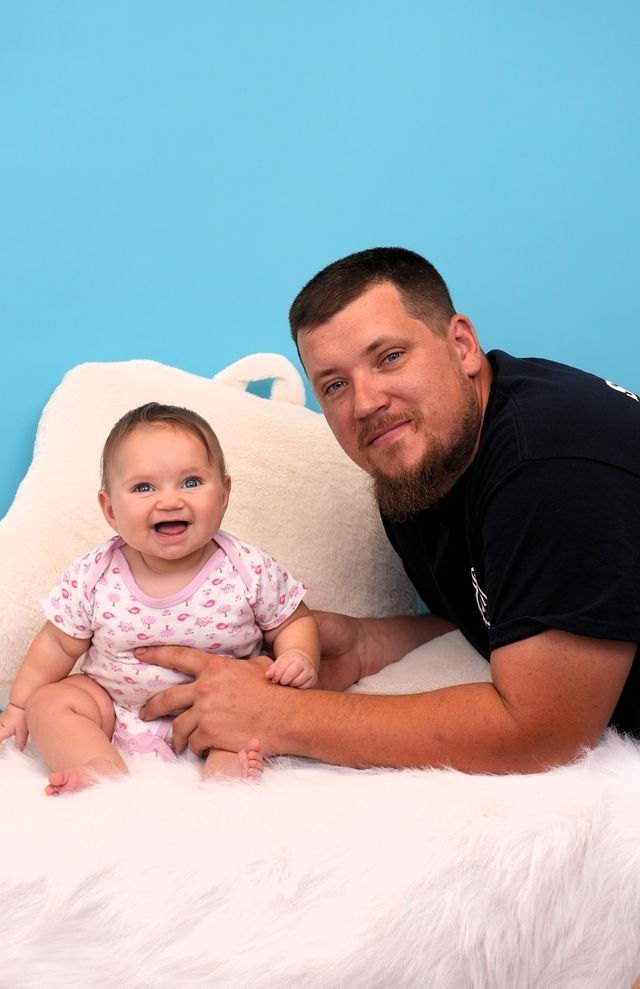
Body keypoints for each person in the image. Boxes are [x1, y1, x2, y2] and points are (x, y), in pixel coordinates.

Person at [137, 248, 639, 773]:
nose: (364, 403)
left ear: (462, 345)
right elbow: (507, 609)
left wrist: (279, 714)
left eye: (390, 357)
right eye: (334, 385)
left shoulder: (552, 467)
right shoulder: (421, 457)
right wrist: (364, 644)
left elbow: (542, 733)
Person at [0, 403, 320, 793]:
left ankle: (225, 772)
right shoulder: (95, 573)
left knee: (248, 725)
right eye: (144, 487)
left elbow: (293, 619)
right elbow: (56, 642)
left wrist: (298, 656)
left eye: (190, 482)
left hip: (217, 711)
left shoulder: (247, 567)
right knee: (49, 703)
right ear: (110, 509)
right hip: (113, 707)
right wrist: (19, 705)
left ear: (224, 493)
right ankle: (99, 768)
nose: (169, 501)